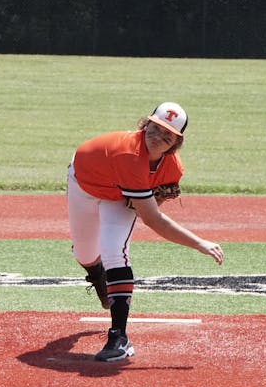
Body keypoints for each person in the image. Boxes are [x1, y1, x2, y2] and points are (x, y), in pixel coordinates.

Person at [67, 102, 225, 362]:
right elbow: (153, 219)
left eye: (168, 135)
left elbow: (149, 210)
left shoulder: (172, 168)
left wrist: (144, 200)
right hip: (84, 183)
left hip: (118, 195)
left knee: (114, 251)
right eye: (156, 127)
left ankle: (119, 337)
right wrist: (199, 243)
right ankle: (97, 274)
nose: (158, 136)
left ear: (176, 143)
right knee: (85, 253)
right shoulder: (129, 154)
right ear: (146, 124)